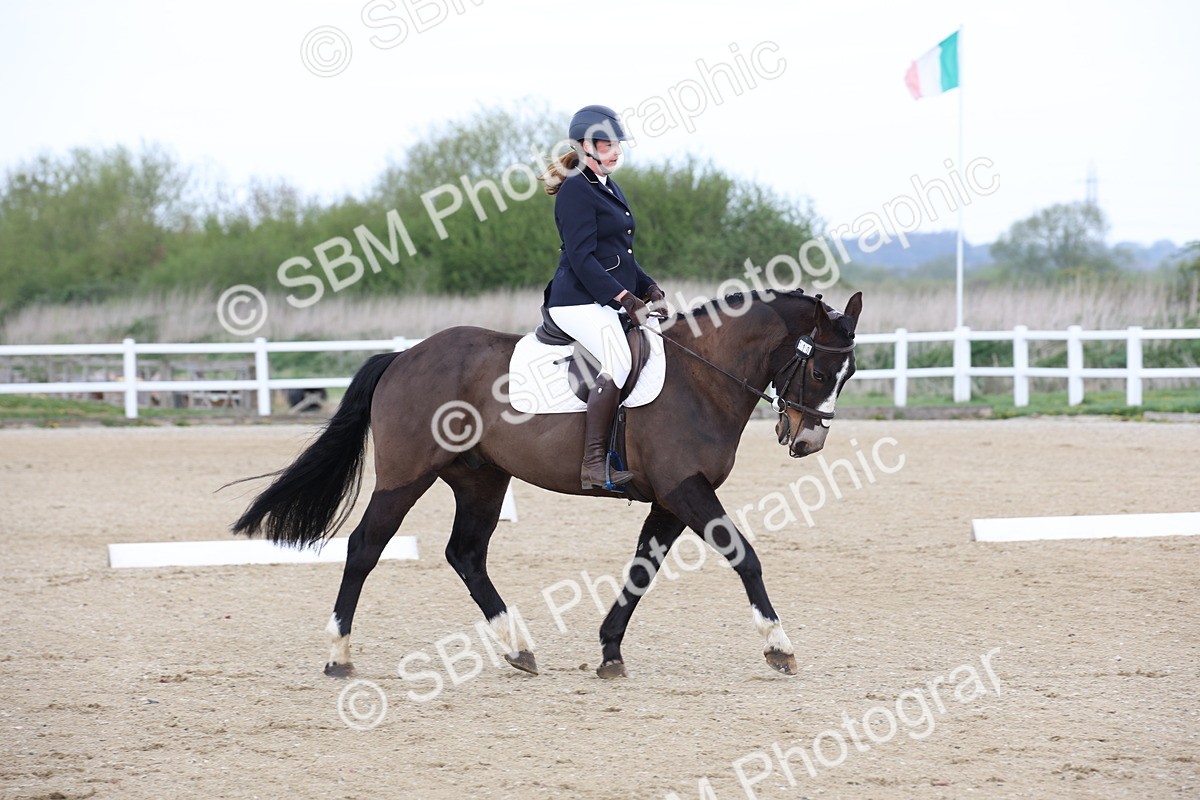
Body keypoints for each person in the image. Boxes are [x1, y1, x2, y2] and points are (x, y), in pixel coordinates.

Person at [539, 104, 668, 491]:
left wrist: (648, 286)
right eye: (607, 144)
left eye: (617, 144)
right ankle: (593, 463)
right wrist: (622, 296)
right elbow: (582, 258)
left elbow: (620, 254)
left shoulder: (607, 185)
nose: (615, 151)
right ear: (585, 146)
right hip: (575, 300)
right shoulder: (576, 189)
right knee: (619, 358)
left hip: (601, 298)